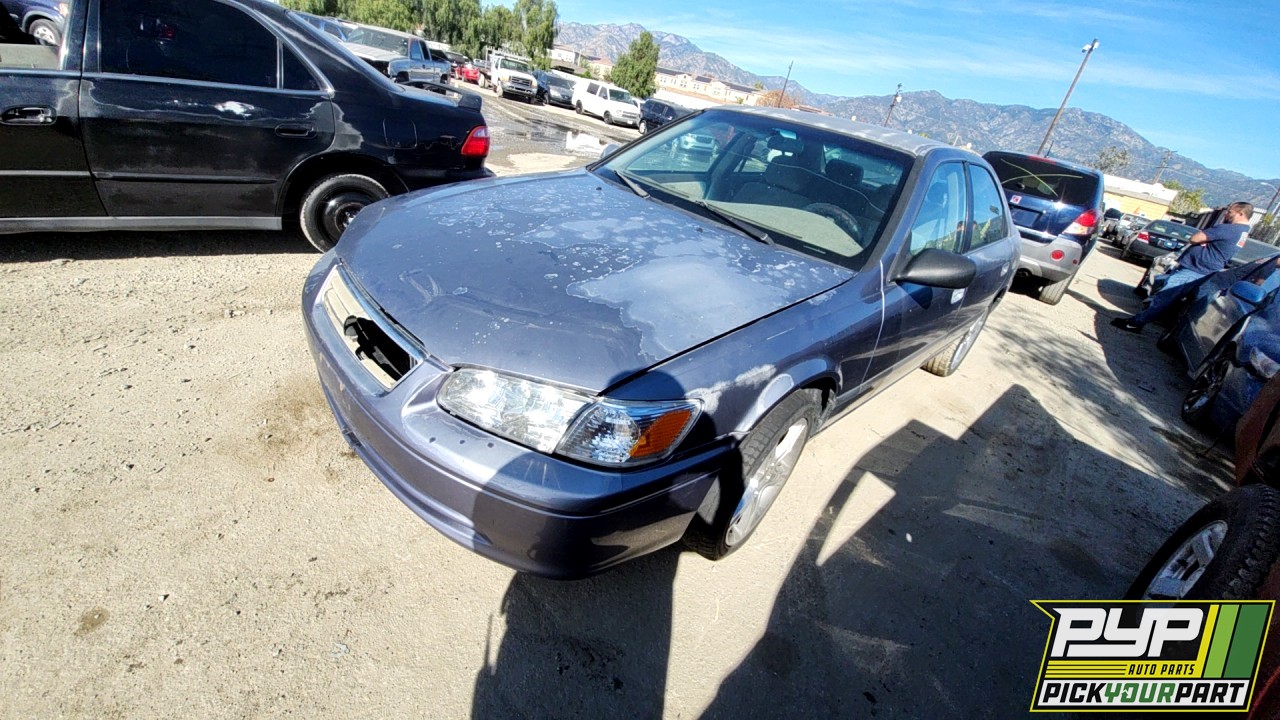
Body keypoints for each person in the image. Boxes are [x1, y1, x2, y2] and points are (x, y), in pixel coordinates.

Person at [1111, 202, 1254, 332]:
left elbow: (1195, 238)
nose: (1226, 214)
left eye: (1230, 212)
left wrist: (1203, 239)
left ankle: (1135, 323)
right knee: (1168, 291)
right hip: (1205, 270)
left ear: (1240, 214)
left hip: (1195, 269)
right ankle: (1146, 321)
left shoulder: (1229, 229)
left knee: (1165, 296)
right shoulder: (1243, 232)